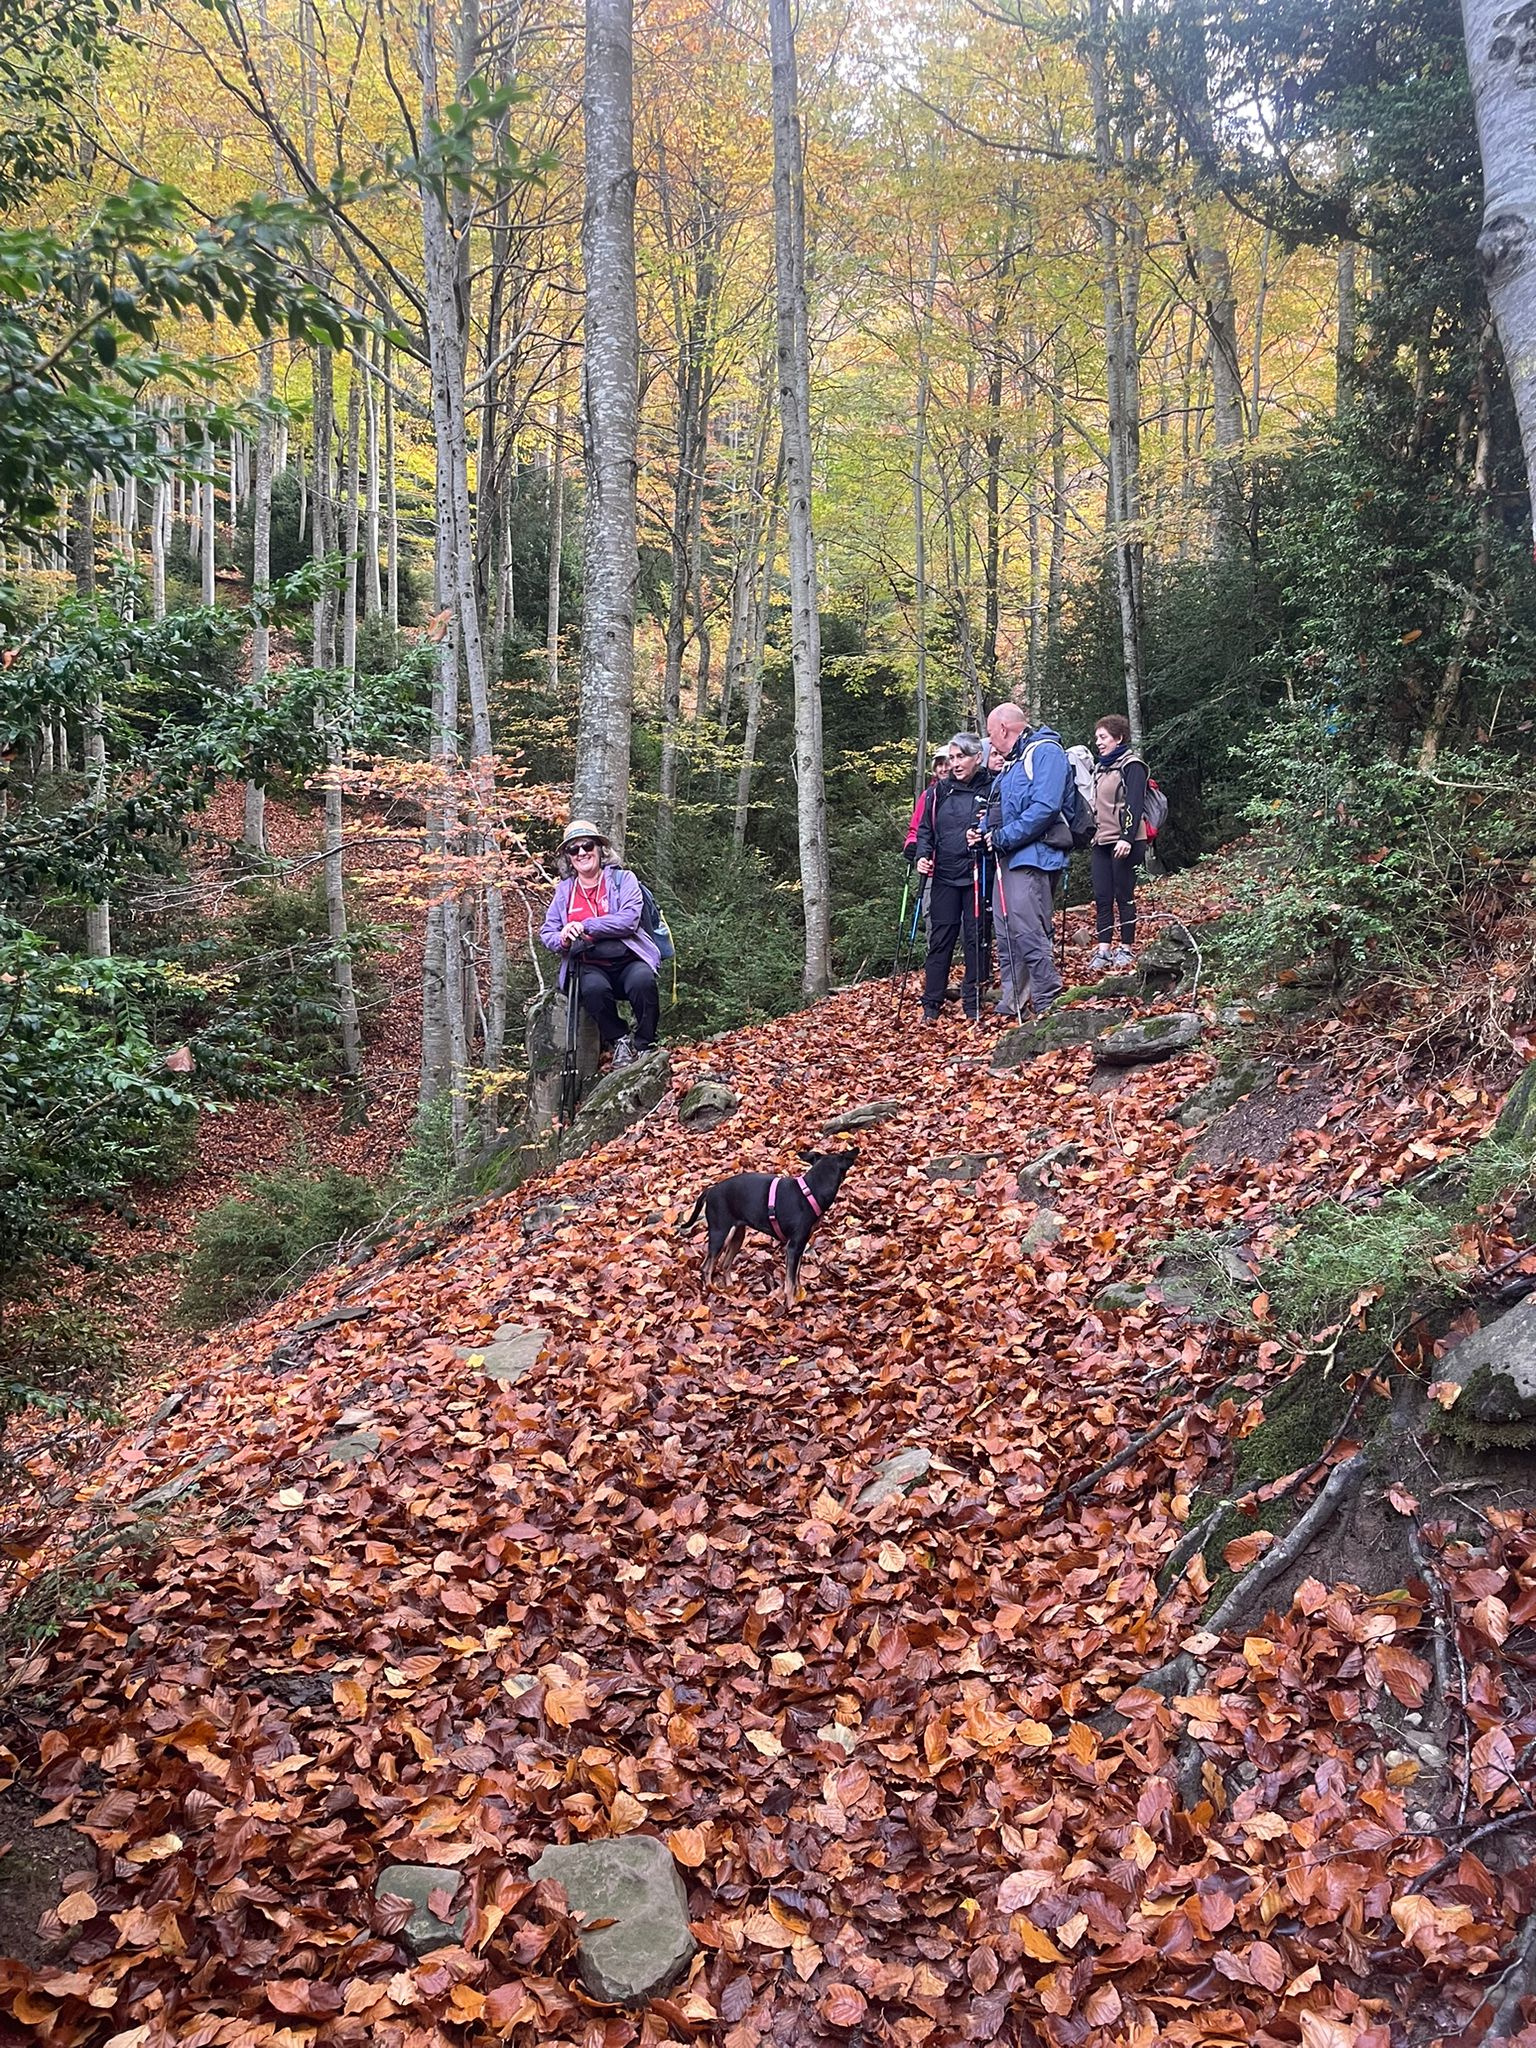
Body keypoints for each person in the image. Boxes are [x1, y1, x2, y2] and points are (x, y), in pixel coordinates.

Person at [540, 820, 661, 1068]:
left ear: (599, 849)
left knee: (643, 982)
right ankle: (619, 1040)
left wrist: (586, 925)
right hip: (589, 964)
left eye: (587, 845)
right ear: (568, 858)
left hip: (628, 958)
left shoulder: (623, 879)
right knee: (593, 989)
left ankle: (645, 1044)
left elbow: (629, 919)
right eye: (574, 849)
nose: (581, 852)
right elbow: (547, 932)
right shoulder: (564, 891)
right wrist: (563, 936)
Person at [983, 701, 1070, 1019]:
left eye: (990, 733)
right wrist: (983, 831)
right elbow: (1002, 809)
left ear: (1003, 728)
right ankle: (1013, 1002)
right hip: (1008, 856)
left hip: (1033, 857)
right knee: (1006, 930)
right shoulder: (1012, 763)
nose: (990, 740)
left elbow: (1046, 807)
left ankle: (1047, 997)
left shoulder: (1045, 752)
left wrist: (1003, 836)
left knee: (1028, 929)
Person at [913, 732, 993, 1022]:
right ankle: (931, 1004)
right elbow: (925, 830)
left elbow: (998, 824)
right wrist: (923, 855)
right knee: (940, 939)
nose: (955, 764)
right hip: (944, 875)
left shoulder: (992, 787)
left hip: (977, 874)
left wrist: (983, 837)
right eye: (952, 758)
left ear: (977, 758)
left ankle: (973, 1001)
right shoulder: (938, 792)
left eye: (962, 757)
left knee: (976, 938)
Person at [1089, 713, 1148, 972]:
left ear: (1119, 738)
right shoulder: (1100, 768)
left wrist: (1127, 837)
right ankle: (1103, 949)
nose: (1098, 743)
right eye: (1097, 738)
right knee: (1102, 896)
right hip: (1101, 840)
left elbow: (1135, 803)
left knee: (1124, 895)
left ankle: (1126, 947)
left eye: (1103, 737)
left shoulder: (1132, 766)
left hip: (1126, 841)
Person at [903, 747, 951, 863]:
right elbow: (916, 827)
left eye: (947, 764)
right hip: (931, 861)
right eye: (940, 765)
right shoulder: (928, 795)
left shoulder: (964, 792)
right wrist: (911, 843)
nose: (944, 769)